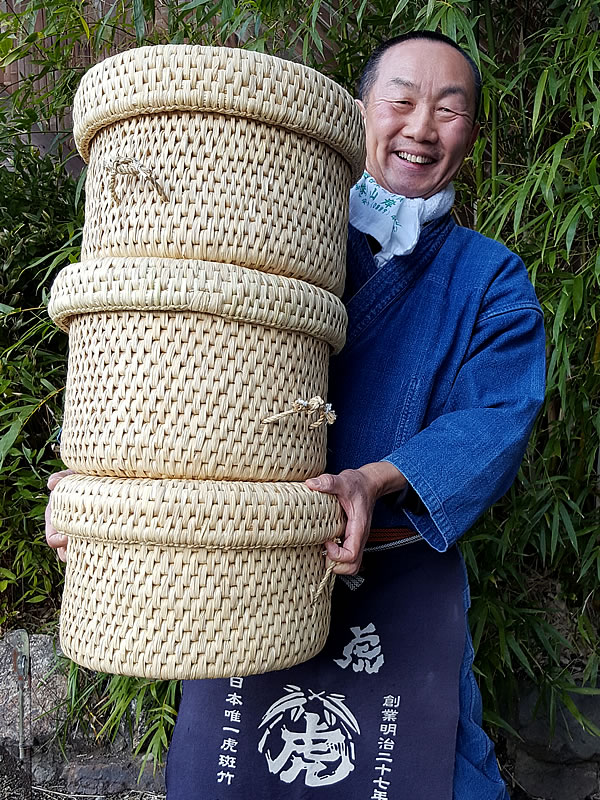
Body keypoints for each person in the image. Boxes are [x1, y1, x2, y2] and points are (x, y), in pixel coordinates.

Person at [46, 31, 546, 799]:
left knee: (441, 779)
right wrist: (103, 489)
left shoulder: (490, 277)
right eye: (402, 100)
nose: (421, 127)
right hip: (240, 577)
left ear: (470, 134)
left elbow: (497, 417)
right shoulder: (256, 234)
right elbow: (152, 366)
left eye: (449, 111)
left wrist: (375, 480)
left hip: (396, 578)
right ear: (358, 113)